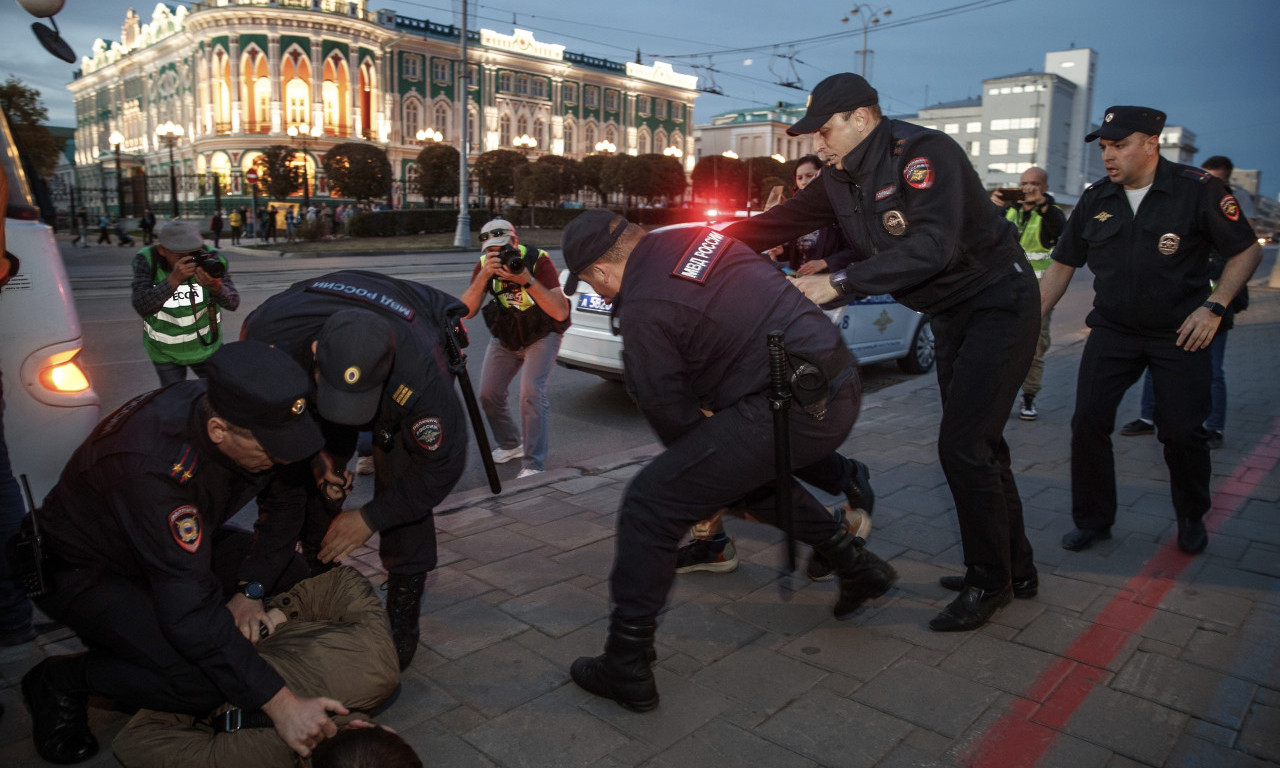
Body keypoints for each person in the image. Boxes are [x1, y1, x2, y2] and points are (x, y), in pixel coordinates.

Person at [722, 73, 1041, 632]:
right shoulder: (839, 177)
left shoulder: (922, 155)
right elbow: (776, 223)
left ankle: (990, 581)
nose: (818, 144)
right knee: (983, 447)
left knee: (964, 447)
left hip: (997, 301)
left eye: (825, 131)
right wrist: (695, 244)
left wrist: (838, 283)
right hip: (950, 312)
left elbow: (932, 246)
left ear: (862, 118)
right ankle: (1016, 567)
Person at [560, 210, 897, 712]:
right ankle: (856, 566)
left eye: (594, 285)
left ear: (603, 271)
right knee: (738, 474)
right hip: (834, 380)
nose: (604, 297)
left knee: (650, 504)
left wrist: (702, 483)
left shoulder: (644, 306)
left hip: (794, 406)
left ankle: (626, 662)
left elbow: (675, 424)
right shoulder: (700, 238)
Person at [19, 341, 340, 765]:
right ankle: (58, 680)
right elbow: (189, 612)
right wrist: (282, 704)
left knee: (287, 574)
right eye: (271, 451)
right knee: (198, 683)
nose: (282, 459)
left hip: (162, 551)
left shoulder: (254, 414)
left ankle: (195, 656)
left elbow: (285, 504)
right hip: (82, 569)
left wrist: (250, 591)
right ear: (218, 431)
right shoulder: (152, 464)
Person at [1042, 107, 1261, 555]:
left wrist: (1214, 307)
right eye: (1104, 147)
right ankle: (1094, 520)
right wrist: (1029, 322)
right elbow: (1062, 264)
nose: (1108, 155)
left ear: (1150, 144)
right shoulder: (1096, 198)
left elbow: (1246, 251)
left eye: (1119, 145)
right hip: (1113, 330)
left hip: (1179, 333)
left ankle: (1191, 516)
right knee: (1087, 423)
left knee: (1181, 433)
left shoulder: (1197, 189)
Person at [241, 270, 470, 670]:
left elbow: (441, 466)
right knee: (300, 476)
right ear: (315, 352)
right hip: (308, 358)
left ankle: (403, 612)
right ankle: (319, 576)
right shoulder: (267, 342)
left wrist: (370, 517)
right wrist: (317, 459)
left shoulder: (421, 374)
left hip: (408, 337)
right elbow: (281, 443)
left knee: (401, 484)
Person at [111, 566, 400, 768]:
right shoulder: (241, 762)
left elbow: (135, 739)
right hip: (227, 606)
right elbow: (134, 741)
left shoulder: (377, 669)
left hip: (174, 616)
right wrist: (269, 620)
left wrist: (209, 669)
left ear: (379, 729)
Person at [1120, 154, 1256, 449]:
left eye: (1213, 180)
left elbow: (1243, 249)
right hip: (1177, 303)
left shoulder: (1232, 203)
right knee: (1157, 359)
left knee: (1213, 370)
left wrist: (1219, 304)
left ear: (1226, 181)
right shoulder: (1185, 203)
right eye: (1201, 177)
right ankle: (1148, 417)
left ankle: (1213, 428)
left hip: (1214, 305)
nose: (1204, 185)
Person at [459, 219, 570, 479]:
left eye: (503, 248)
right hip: (508, 335)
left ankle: (534, 464)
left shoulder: (537, 260)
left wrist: (526, 279)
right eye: (492, 251)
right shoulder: (485, 266)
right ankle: (511, 444)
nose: (499, 255)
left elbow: (560, 311)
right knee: (488, 393)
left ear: (515, 242)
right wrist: (484, 276)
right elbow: (466, 311)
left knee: (531, 392)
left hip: (542, 333)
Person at [990, 167, 1066, 421]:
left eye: (1034, 183)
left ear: (1044, 187)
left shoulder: (1052, 213)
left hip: (1038, 295)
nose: (1028, 188)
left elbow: (1061, 233)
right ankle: (998, 396)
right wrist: (994, 206)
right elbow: (984, 232)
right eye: (1024, 183)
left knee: (1034, 349)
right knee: (997, 346)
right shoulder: (1009, 210)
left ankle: (1029, 395)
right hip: (1004, 291)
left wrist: (1043, 206)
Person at [130, 220, 240, 386]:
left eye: (194, 253)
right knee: (176, 397)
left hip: (207, 348)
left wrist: (216, 287)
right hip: (165, 352)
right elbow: (142, 306)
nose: (190, 260)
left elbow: (233, 303)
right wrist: (173, 281)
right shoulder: (148, 260)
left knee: (218, 395)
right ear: (162, 250)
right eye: (181, 256)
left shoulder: (211, 258)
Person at [767, 154, 853, 276]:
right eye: (799, 178)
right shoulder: (797, 215)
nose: (804, 182)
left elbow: (857, 252)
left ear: (821, 177)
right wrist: (782, 252)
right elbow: (798, 253)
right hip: (800, 282)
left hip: (829, 283)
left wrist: (825, 263)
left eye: (809, 176)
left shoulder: (838, 211)